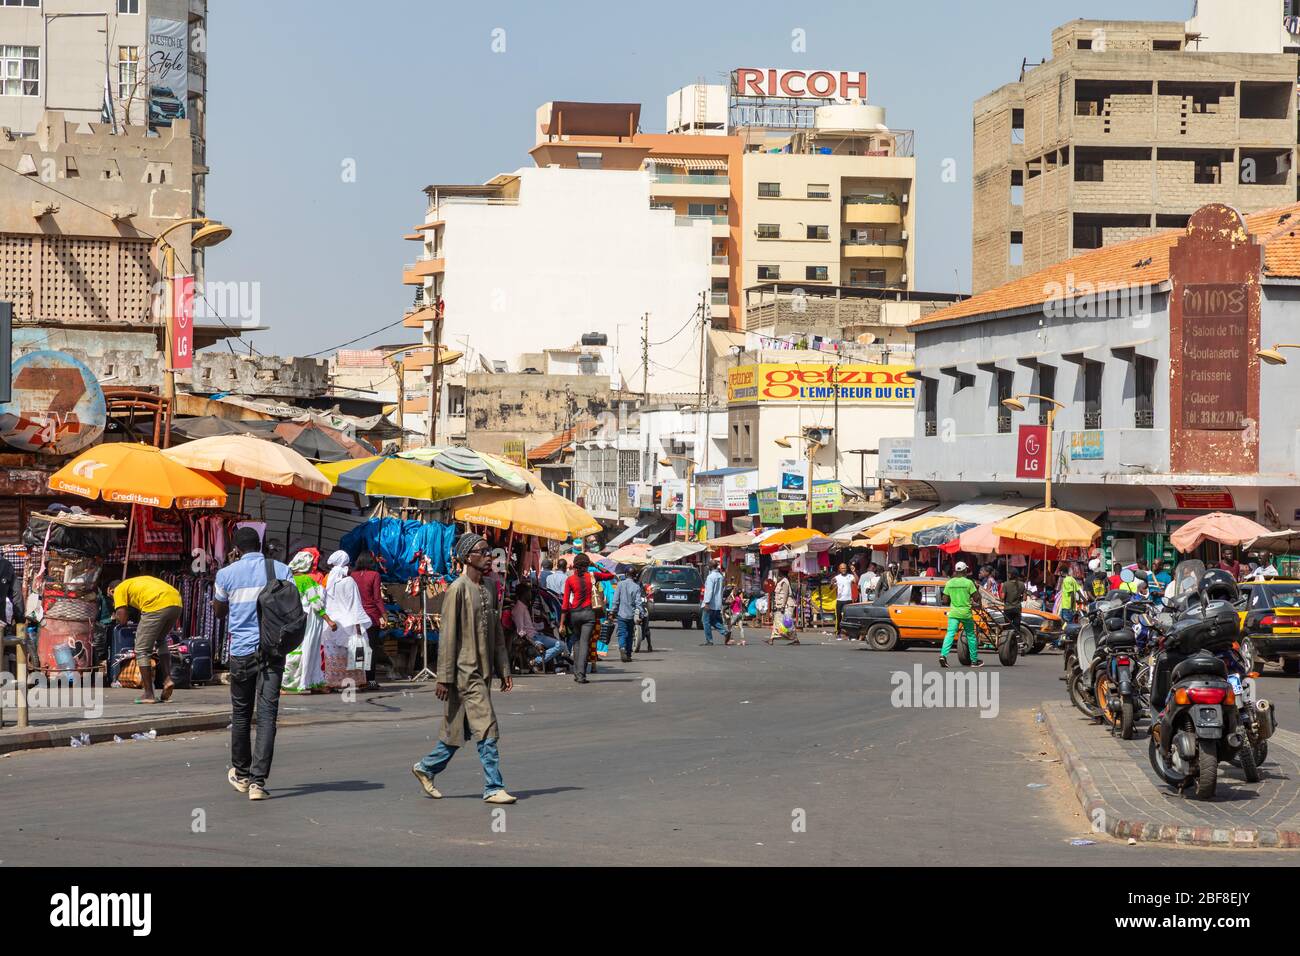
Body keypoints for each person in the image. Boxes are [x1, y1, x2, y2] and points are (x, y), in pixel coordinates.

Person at [412, 532, 516, 805]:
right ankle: (494, 787)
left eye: (489, 552)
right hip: (464, 672)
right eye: (482, 552)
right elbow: (447, 637)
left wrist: (504, 668)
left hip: (484, 672)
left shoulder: (491, 588)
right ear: (466, 557)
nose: (488, 557)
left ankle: (426, 767)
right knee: (488, 727)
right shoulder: (457, 589)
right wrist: (443, 678)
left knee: (458, 732)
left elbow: (496, 633)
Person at [215, 527, 291, 801]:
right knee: (268, 715)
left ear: (235, 549)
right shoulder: (282, 570)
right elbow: (291, 607)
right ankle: (258, 783)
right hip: (273, 651)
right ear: (260, 545)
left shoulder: (226, 574)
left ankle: (242, 774)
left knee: (241, 714)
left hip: (242, 652)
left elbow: (219, 612)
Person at [112, 575, 182, 704]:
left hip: (156, 604)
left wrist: (116, 617)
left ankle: (149, 693)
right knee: (161, 639)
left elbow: (122, 619)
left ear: (111, 590)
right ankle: (167, 679)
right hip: (176, 601)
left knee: (142, 649)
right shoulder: (136, 582)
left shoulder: (118, 589)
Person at [283, 550, 334, 694]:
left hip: (292, 620)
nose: (313, 566)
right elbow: (316, 604)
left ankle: (305, 682)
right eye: (311, 564)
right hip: (309, 622)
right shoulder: (306, 581)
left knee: (295, 651)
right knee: (308, 652)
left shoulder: (288, 579)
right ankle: (296, 683)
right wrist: (329, 621)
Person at [561, 552, 613, 683]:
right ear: (587, 565)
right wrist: (597, 566)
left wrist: (561, 623)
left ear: (575, 565)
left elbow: (565, 604)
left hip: (574, 614)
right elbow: (611, 575)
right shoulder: (592, 575)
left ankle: (576, 673)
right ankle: (581, 675)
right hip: (589, 614)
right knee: (584, 643)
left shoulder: (570, 580)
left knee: (577, 643)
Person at [323, 551, 372, 690]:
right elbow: (354, 605)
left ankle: (332, 683)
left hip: (331, 625)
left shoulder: (329, 581)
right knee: (351, 656)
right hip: (348, 625)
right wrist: (358, 628)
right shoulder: (349, 581)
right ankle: (354, 682)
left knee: (334, 656)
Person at [351, 552, 387, 690]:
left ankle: (359, 679)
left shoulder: (352, 575)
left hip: (355, 616)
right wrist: (384, 615)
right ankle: (370, 680)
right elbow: (377, 598)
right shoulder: (374, 575)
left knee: (358, 648)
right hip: (371, 616)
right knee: (371, 648)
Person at [512, 582, 566, 672]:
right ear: (524, 594)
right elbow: (520, 631)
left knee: (559, 643)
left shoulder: (525, 607)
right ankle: (535, 661)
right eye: (529, 592)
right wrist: (535, 643)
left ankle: (537, 662)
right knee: (560, 645)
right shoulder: (519, 609)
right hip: (533, 637)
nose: (531, 594)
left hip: (536, 635)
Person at [939, 561, 981, 668]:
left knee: (950, 634)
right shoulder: (968, 583)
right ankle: (974, 661)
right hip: (966, 613)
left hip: (953, 613)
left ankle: (943, 655)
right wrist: (977, 589)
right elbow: (977, 598)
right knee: (971, 635)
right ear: (964, 570)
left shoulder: (950, 583)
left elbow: (944, 599)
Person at [613, 564, 644, 662]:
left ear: (626, 574)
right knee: (630, 635)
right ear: (634, 575)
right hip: (631, 615)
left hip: (621, 614)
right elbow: (638, 602)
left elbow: (615, 600)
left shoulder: (620, 584)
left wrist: (613, 611)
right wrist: (642, 613)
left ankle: (622, 647)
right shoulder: (636, 587)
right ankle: (628, 654)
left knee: (622, 633)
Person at [765, 568, 800, 645]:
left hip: (787, 605)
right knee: (777, 621)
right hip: (780, 605)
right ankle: (772, 638)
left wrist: (783, 606)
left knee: (787, 623)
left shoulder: (785, 581)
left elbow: (785, 594)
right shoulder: (779, 581)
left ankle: (795, 639)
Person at [701, 559, 726, 646]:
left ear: (710, 567)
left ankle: (709, 640)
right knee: (712, 620)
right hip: (717, 603)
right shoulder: (720, 576)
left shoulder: (710, 577)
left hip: (710, 603)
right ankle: (725, 632)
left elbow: (709, 591)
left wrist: (706, 602)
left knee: (705, 621)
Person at [832, 562, 856, 639]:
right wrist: (832, 584)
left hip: (848, 599)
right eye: (842, 568)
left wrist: (854, 571)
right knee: (839, 617)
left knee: (849, 617)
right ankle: (838, 633)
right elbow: (831, 587)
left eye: (845, 568)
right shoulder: (837, 577)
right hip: (840, 600)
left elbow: (856, 581)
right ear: (839, 569)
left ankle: (850, 634)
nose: (843, 569)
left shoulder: (850, 576)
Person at [1060, 563, 1084, 634]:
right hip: (1071, 607)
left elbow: (1072, 594)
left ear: (1061, 572)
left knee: (1067, 625)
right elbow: (1078, 590)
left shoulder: (1066, 580)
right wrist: (1084, 600)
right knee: (1067, 623)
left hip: (1067, 606)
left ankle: (1068, 638)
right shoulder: (1072, 579)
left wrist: (1070, 607)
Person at [1002, 568, 1024, 636]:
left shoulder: (1005, 584)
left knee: (1007, 626)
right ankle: (1017, 640)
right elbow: (1025, 598)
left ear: (1010, 575)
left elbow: (1002, 597)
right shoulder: (1022, 584)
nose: (1008, 575)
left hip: (1007, 608)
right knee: (1017, 627)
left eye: (1008, 573)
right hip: (1017, 608)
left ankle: (1009, 640)